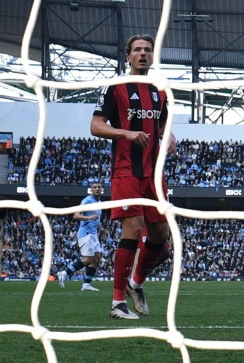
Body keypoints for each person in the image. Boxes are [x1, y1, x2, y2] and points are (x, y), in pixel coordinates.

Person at [91, 34, 176, 320]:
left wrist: (168, 133)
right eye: (137, 50)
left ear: (153, 56)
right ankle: (117, 304)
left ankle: (135, 284)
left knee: (161, 236)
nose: (142, 54)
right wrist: (125, 132)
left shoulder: (159, 89)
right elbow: (96, 125)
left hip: (154, 174)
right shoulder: (116, 86)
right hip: (127, 169)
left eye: (147, 50)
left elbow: (161, 119)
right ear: (127, 56)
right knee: (132, 229)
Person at [57, 181, 105, 292]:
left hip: (93, 234)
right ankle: (64, 273)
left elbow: (96, 219)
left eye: (99, 187)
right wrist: (88, 218)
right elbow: (76, 215)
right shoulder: (87, 201)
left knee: (97, 258)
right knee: (88, 260)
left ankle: (86, 285)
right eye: (95, 187)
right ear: (91, 190)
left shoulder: (100, 204)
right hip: (85, 233)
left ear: (101, 189)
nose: (97, 189)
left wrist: (101, 228)